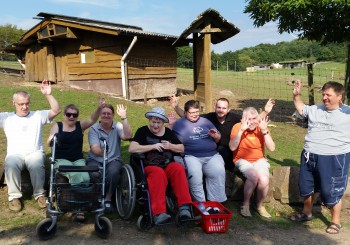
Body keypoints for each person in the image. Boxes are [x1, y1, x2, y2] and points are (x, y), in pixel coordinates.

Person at [290, 80, 350, 234]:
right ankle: (307, 212)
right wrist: (296, 95)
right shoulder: (315, 109)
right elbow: (301, 109)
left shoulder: (347, 112)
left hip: (334, 158)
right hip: (309, 156)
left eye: (328, 95)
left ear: (339, 96)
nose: (324, 98)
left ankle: (335, 221)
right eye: (323, 94)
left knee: (332, 190)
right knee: (307, 186)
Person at [169, 96, 275, 171]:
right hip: (212, 148)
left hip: (229, 148)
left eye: (224, 108)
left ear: (228, 109)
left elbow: (253, 120)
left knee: (224, 155)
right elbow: (190, 115)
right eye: (218, 107)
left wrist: (265, 112)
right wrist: (175, 106)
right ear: (215, 108)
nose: (221, 110)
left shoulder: (234, 118)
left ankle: (229, 176)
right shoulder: (209, 117)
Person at [1, 80, 61, 212]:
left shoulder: (38, 115)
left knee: (36, 163)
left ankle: (39, 194)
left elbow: (56, 110)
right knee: (10, 164)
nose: (24, 107)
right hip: (14, 153)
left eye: (27, 103)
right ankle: (14, 197)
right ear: (14, 103)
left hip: (34, 152)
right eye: (21, 104)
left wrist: (48, 95)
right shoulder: (6, 117)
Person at [128, 107, 192, 225]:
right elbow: (132, 148)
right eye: (153, 122)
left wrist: (170, 146)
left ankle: (184, 208)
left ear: (163, 123)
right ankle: (159, 213)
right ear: (149, 120)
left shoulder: (168, 133)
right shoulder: (142, 131)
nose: (155, 125)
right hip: (149, 165)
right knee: (158, 173)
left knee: (178, 168)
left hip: (167, 164)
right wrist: (151, 146)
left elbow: (182, 148)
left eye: (158, 122)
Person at [172, 100, 227, 203]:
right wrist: (170, 126)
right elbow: (173, 141)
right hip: (191, 156)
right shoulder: (179, 124)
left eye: (197, 112)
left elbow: (218, 137)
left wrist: (216, 136)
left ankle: (216, 203)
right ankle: (200, 204)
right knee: (195, 176)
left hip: (211, 155)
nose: (195, 115)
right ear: (185, 113)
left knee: (218, 172)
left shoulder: (205, 121)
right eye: (192, 113)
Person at [229, 107, 275, 218]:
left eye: (254, 118)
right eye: (248, 119)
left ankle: (259, 205)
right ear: (243, 119)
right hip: (242, 159)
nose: (252, 121)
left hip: (259, 160)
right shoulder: (237, 127)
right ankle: (245, 204)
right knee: (253, 176)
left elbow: (272, 148)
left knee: (264, 179)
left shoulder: (261, 127)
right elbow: (232, 147)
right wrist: (241, 130)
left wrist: (264, 131)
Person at [86, 103, 132, 212]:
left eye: (109, 113)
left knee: (113, 172)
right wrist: (104, 151)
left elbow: (128, 136)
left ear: (113, 115)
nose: (106, 115)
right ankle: (96, 197)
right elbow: (95, 150)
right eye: (104, 113)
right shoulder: (94, 129)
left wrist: (124, 118)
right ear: (100, 115)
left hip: (113, 160)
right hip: (95, 159)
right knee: (94, 173)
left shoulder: (117, 126)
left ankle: (108, 198)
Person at [47, 99, 105, 184]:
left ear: (77, 116)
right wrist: (52, 141)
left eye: (74, 115)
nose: (71, 117)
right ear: (64, 115)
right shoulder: (58, 126)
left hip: (78, 160)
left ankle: (81, 193)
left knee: (85, 178)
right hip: (61, 159)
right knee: (74, 174)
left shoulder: (80, 126)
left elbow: (92, 120)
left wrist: (99, 108)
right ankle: (77, 194)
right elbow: (50, 140)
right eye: (68, 114)